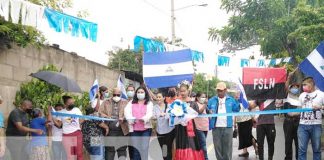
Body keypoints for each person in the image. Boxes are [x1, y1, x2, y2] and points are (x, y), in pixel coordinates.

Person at [207, 82, 240, 160]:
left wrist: (237, 101)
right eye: (218, 90)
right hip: (216, 128)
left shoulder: (231, 100)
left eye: (221, 90)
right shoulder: (212, 100)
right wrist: (209, 111)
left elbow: (237, 110)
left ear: (225, 90)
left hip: (228, 128)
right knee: (217, 148)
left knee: (227, 149)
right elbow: (207, 110)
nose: (219, 92)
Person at [172, 81, 204, 160]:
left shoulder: (193, 103)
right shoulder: (177, 102)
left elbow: (196, 114)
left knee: (192, 145)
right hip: (180, 128)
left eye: (184, 91)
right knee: (182, 145)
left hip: (191, 128)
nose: (182, 93)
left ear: (188, 91)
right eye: (181, 91)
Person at [298, 77, 324, 160]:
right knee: (301, 150)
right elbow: (299, 108)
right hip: (302, 125)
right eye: (302, 85)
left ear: (311, 84)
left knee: (317, 149)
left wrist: (320, 107)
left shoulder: (321, 94)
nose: (303, 87)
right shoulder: (302, 95)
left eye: (305, 85)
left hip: (316, 125)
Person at [99, 87, 129, 160]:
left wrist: (124, 117)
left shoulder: (125, 102)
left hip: (122, 130)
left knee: (122, 149)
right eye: (115, 94)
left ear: (121, 94)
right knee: (110, 150)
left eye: (118, 95)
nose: (116, 96)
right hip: (110, 130)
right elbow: (100, 112)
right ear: (112, 94)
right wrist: (107, 117)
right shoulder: (106, 102)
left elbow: (129, 113)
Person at [124, 86, 153, 160]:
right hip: (134, 129)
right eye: (138, 92)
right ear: (136, 93)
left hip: (146, 129)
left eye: (142, 92)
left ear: (145, 93)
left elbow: (150, 113)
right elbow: (126, 112)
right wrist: (131, 119)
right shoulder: (131, 102)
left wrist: (145, 118)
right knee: (136, 150)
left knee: (144, 149)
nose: (140, 93)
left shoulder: (149, 103)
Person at [53, 96, 84, 160]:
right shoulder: (61, 112)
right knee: (70, 155)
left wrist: (81, 119)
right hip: (66, 135)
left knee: (79, 154)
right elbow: (59, 125)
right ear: (65, 104)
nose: (72, 104)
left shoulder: (76, 110)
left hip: (77, 133)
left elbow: (81, 120)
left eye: (72, 102)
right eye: (70, 103)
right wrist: (53, 118)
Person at [234, 92, 258, 157]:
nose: (236, 97)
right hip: (240, 122)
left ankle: (256, 147)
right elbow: (235, 114)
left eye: (238, 95)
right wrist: (235, 123)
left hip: (247, 121)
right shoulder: (235, 104)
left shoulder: (246, 101)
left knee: (249, 136)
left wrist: (253, 120)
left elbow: (251, 110)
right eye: (235, 96)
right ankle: (245, 152)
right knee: (242, 137)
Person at [153, 91, 175, 160]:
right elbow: (153, 116)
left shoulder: (168, 106)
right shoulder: (155, 107)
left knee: (168, 148)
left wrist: (167, 114)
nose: (158, 98)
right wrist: (159, 115)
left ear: (163, 98)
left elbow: (173, 115)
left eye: (160, 97)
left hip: (169, 131)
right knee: (163, 149)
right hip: (159, 131)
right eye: (157, 97)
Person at [283, 83, 301, 160]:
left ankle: (299, 158)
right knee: (288, 142)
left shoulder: (301, 97)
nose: (295, 88)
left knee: (299, 143)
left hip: (298, 122)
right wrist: (289, 78)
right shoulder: (286, 96)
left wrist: (294, 113)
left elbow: (300, 111)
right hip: (288, 122)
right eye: (293, 87)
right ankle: (288, 158)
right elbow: (285, 87)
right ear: (290, 88)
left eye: (296, 87)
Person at [194, 92, 209, 160]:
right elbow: (199, 112)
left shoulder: (204, 105)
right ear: (197, 98)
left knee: (201, 145)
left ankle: (199, 157)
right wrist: (205, 104)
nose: (204, 98)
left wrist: (212, 111)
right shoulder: (195, 104)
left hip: (205, 127)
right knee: (203, 145)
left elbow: (209, 112)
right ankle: (206, 158)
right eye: (202, 97)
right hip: (198, 128)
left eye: (205, 97)